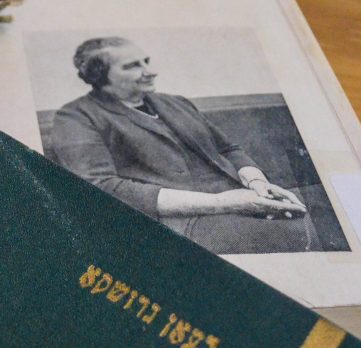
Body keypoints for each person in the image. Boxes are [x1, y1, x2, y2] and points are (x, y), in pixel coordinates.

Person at [50, 36, 312, 254]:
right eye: (132, 66)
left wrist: (257, 183)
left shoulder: (175, 102)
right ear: (100, 76)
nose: (150, 71)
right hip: (178, 222)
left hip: (242, 198)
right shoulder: (75, 117)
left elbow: (228, 149)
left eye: (146, 61)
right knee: (292, 232)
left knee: (315, 208)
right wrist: (222, 203)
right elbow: (100, 187)